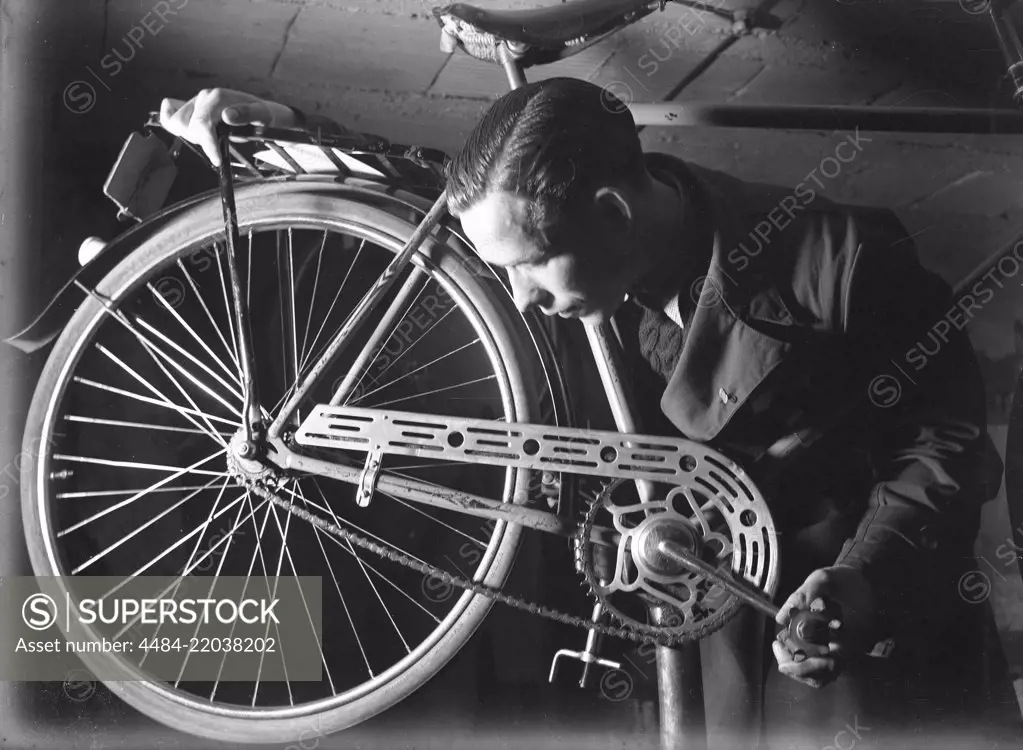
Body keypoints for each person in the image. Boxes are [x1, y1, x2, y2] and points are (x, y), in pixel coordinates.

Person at [160, 81, 1017, 749]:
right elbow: (427, 194)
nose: (521, 302)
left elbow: (943, 442)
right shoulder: (560, 239)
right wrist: (282, 137)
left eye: (533, 269)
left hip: (853, 624)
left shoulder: (839, 260)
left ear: (611, 212)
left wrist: (864, 581)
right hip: (699, 632)